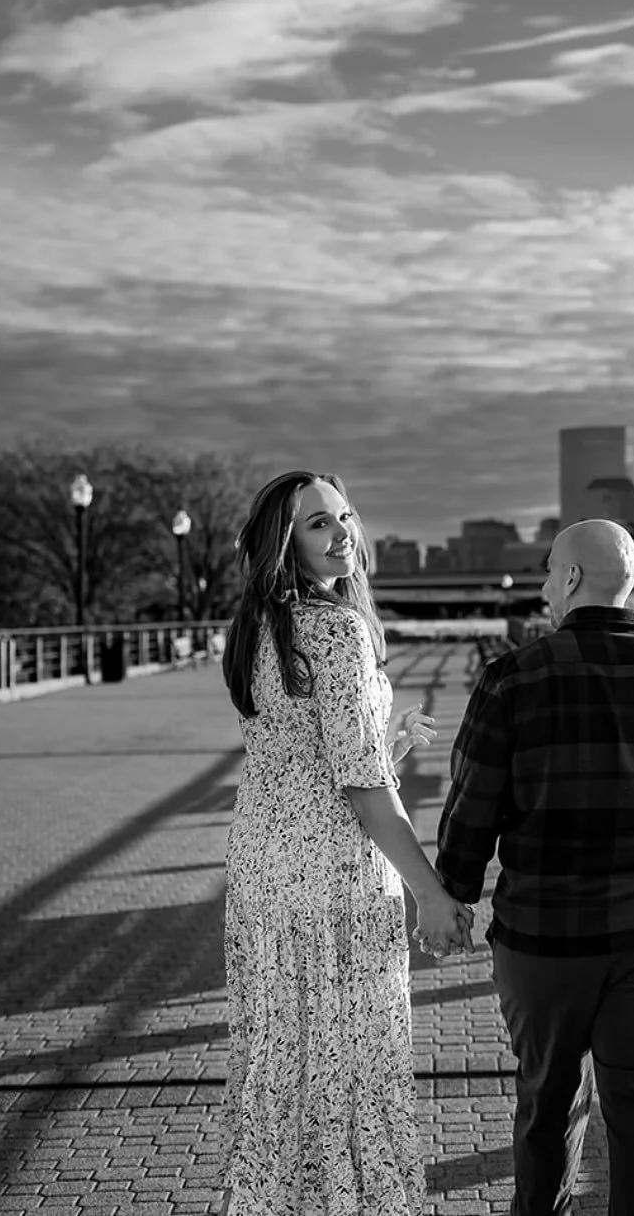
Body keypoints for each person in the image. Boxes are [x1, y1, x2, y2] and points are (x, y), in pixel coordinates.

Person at [435, 518, 634, 1216]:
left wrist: (453, 896)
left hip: (546, 937)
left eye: (549, 571)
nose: (545, 586)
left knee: (546, 1099)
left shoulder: (511, 680)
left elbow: (472, 809)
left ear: (572, 578)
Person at [217, 470, 472, 1216]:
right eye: (319, 524)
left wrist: (388, 742)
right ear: (282, 543)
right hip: (331, 876)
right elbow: (360, 791)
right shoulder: (336, 630)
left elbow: (311, 761)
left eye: (346, 517)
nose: (343, 535)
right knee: (352, 1058)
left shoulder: (259, 626)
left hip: (265, 866)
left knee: (283, 1058)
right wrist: (431, 891)